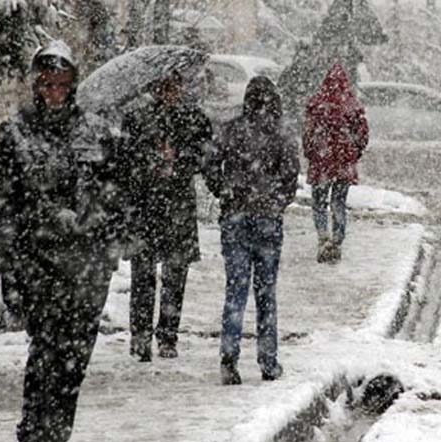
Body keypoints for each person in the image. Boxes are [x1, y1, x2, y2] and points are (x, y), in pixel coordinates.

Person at [0, 40, 121, 442]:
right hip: (39, 265)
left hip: (86, 269)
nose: (54, 92)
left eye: (62, 83)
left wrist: (98, 226)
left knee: (72, 366)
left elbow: (113, 196)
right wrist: (11, 269)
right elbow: (2, 205)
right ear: (35, 84)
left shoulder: (95, 131)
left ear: (73, 85)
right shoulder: (15, 132)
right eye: (47, 83)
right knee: (45, 359)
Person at [205, 76, 299, 385]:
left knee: (236, 290)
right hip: (267, 220)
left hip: (235, 217)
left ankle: (229, 357)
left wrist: (225, 191)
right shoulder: (281, 133)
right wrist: (276, 201)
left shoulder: (231, 129)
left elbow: (209, 164)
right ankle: (268, 359)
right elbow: (290, 174)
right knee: (266, 292)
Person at [120, 70, 214, 362]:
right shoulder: (136, 119)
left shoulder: (194, 119)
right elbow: (125, 159)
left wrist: (179, 160)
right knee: (143, 274)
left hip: (177, 205)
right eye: (163, 86)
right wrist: (149, 162)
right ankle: (140, 336)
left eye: (174, 85)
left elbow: (204, 155)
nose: (169, 91)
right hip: (145, 205)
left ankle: (167, 335)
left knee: (175, 274)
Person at [302, 62, 369, 264]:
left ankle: (323, 235)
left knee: (319, 203)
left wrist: (311, 154)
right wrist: (354, 153)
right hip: (342, 163)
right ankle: (337, 239)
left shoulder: (316, 104)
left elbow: (307, 133)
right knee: (338, 202)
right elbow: (363, 134)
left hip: (322, 162)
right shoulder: (352, 106)